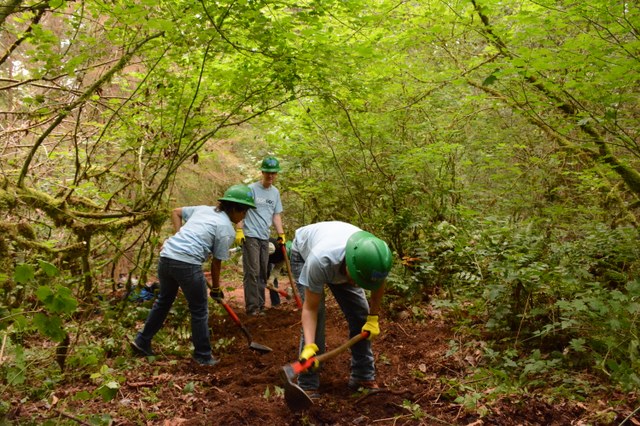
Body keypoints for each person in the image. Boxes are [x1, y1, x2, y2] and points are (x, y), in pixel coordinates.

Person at [130, 184, 257, 366]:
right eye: (244, 212)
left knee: (164, 301)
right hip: (186, 263)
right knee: (199, 309)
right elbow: (216, 263)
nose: (244, 217)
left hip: (166, 257)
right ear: (236, 209)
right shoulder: (225, 229)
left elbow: (176, 212)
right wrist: (215, 288)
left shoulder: (203, 209)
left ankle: (142, 340)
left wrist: (178, 237)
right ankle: (203, 356)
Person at [289, 221, 393, 399]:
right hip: (304, 252)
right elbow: (310, 309)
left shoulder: (375, 260)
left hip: (340, 255)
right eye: (358, 279)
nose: (358, 285)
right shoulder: (320, 261)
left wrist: (373, 318)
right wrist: (308, 346)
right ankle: (307, 384)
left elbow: (378, 284)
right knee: (318, 318)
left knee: (361, 314)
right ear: (350, 266)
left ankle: (362, 376)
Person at [235, 156, 285, 316]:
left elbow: (276, 216)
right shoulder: (251, 189)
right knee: (252, 271)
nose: (270, 176)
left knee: (263, 271)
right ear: (262, 172)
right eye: (268, 172)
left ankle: (261, 306)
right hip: (250, 235)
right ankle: (252, 308)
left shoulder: (275, 193)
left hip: (264, 236)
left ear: (276, 174)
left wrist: (281, 234)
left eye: (273, 173)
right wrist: (239, 229)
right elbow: (240, 211)